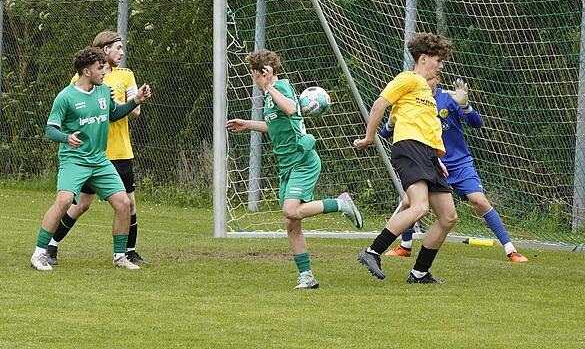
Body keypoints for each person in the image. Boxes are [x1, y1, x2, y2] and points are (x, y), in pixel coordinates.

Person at [226, 49, 364, 289]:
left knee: (291, 211)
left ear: (265, 72)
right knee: (292, 223)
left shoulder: (282, 88)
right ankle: (307, 275)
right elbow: (276, 126)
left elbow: (291, 108)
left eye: (255, 75)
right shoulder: (271, 97)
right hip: (286, 165)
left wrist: (269, 85)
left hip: (303, 160)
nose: (254, 80)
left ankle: (341, 204)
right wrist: (247, 124)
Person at [380, 76, 528, 263]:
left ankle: (511, 250)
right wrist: (391, 123)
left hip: (459, 163)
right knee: (409, 202)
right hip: (429, 162)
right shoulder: (413, 100)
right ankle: (405, 246)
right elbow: (386, 133)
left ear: (438, 78)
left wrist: (466, 106)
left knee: (479, 201)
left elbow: (477, 123)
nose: (427, 81)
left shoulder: (448, 98)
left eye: (432, 78)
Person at [30, 47, 152, 271]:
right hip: (74, 160)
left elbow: (113, 114)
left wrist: (136, 100)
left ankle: (120, 257)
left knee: (124, 203)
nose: (104, 72)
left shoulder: (104, 91)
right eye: (99, 69)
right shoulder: (65, 97)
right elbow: (49, 130)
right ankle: (39, 254)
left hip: (99, 160)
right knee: (65, 201)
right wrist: (66, 137)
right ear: (86, 72)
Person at [353, 32, 458, 284]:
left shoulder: (426, 92)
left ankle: (420, 272)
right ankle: (372, 251)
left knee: (448, 217)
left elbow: (420, 123)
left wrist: (436, 158)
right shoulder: (407, 78)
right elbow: (380, 104)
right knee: (419, 207)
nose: (441, 66)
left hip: (427, 154)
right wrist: (369, 137)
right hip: (410, 148)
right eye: (438, 60)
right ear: (423, 59)